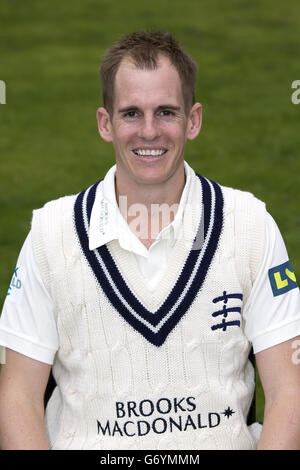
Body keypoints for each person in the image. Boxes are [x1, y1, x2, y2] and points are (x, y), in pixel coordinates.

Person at [0, 31, 300, 451]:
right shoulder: (52, 233)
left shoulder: (248, 224)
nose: (149, 131)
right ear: (106, 123)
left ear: (192, 120)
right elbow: (18, 396)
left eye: (166, 112)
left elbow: (290, 391)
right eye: (130, 114)